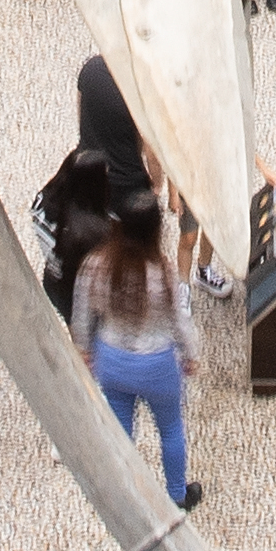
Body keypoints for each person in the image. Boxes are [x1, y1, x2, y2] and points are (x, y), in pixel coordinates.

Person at [78, 204, 200, 508]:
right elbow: (178, 320)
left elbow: (83, 312)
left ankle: (128, 494)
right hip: (156, 362)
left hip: (113, 358)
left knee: (121, 429)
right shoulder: (162, 271)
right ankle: (176, 495)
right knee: (170, 429)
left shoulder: (97, 265)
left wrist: (85, 348)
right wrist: (191, 353)